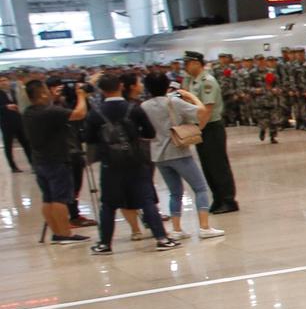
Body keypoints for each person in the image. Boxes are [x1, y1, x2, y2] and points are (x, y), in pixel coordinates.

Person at [81, 73, 178, 253]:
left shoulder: (96, 113)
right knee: (147, 200)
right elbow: (149, 133)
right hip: (136, 161)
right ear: (120, 86)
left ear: (102, 90)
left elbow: (88, 138)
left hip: (110, 164)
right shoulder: (133, 108)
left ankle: (105, 243)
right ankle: (162, 238)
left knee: (108, 204)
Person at [141, 71, 223, 240]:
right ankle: (204, 226)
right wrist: (191, 96)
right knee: (200, 188)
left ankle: (177, 229)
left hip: (158, 155)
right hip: (178, 151)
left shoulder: (144, 106)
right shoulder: (174, 102)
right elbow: (201, 112)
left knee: (175, 192)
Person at [22, 78, 91, 244]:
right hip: (57, 160)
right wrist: (81, 95)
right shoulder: (50, 112)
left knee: (48, 199)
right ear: (43, 93)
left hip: (39, 161)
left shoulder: (28, 112)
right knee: (60, 199)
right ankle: (66, 233)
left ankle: (57, 233)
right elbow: (79, 113)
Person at [181, 51, 238, 213]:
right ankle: (218, 198)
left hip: (211, 127)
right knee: (208, 166)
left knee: (218, 165)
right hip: (202, 127)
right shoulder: (192, 81)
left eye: (187, 63)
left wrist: (197, 130)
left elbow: (207, 109)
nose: (185, 67)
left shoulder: (208, 82)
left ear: (197, 63)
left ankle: (228, 200)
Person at [3, 73, 26, 171]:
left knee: (26, 143)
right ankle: (13, 166)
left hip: (18, 121)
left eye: (5, 80)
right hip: (6, 123)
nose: (3, 82)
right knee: (8, 146)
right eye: (1, 81)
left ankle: (33, 164)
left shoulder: (13, 91)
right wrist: (5, 107)